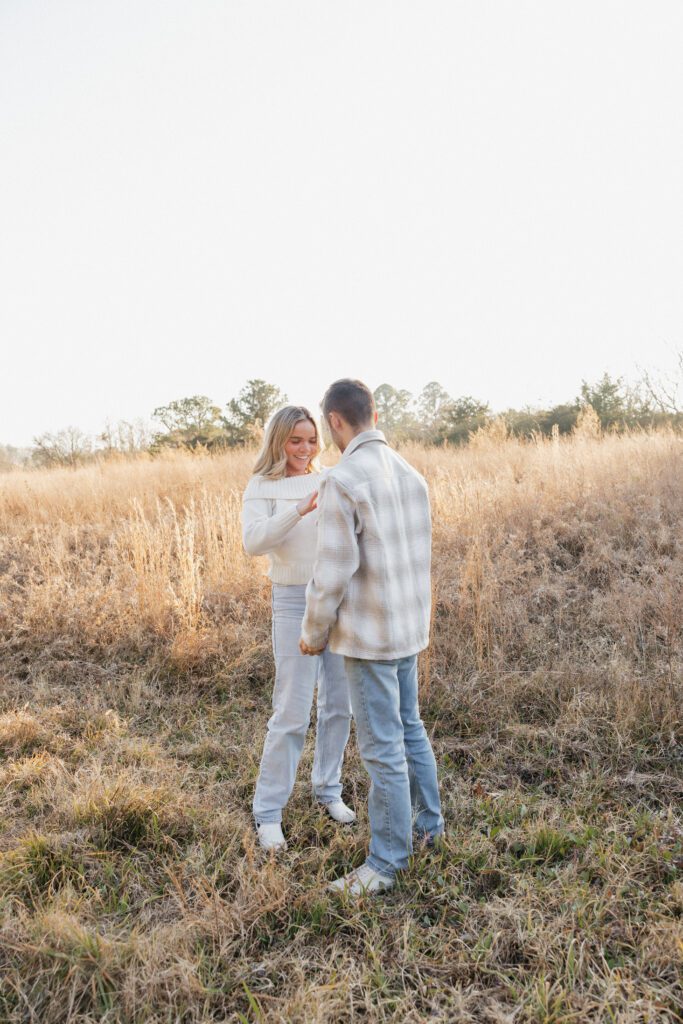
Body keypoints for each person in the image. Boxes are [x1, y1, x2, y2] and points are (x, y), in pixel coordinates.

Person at [300, 379, 444, 894]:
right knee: (411, 729)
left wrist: (313, 632)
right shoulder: (411, 475)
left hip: (370, 636)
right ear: (373, 413)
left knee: (383, 748)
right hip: (407, 627)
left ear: (336, 422)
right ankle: (430, 829)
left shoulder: (342, 481)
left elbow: (334, 571)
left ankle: (387, 862)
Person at [241, 405, 355, 851]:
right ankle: (268, 812)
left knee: (338, 703)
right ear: (278, 441)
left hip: (335, 597)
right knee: (291, 710)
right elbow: (253, 542)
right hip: (292, 601)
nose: (305, 449)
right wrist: (299, 510)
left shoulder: (330, 477)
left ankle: (328, 789)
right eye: (295, 441)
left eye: (311, 440)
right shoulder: (262, 486)